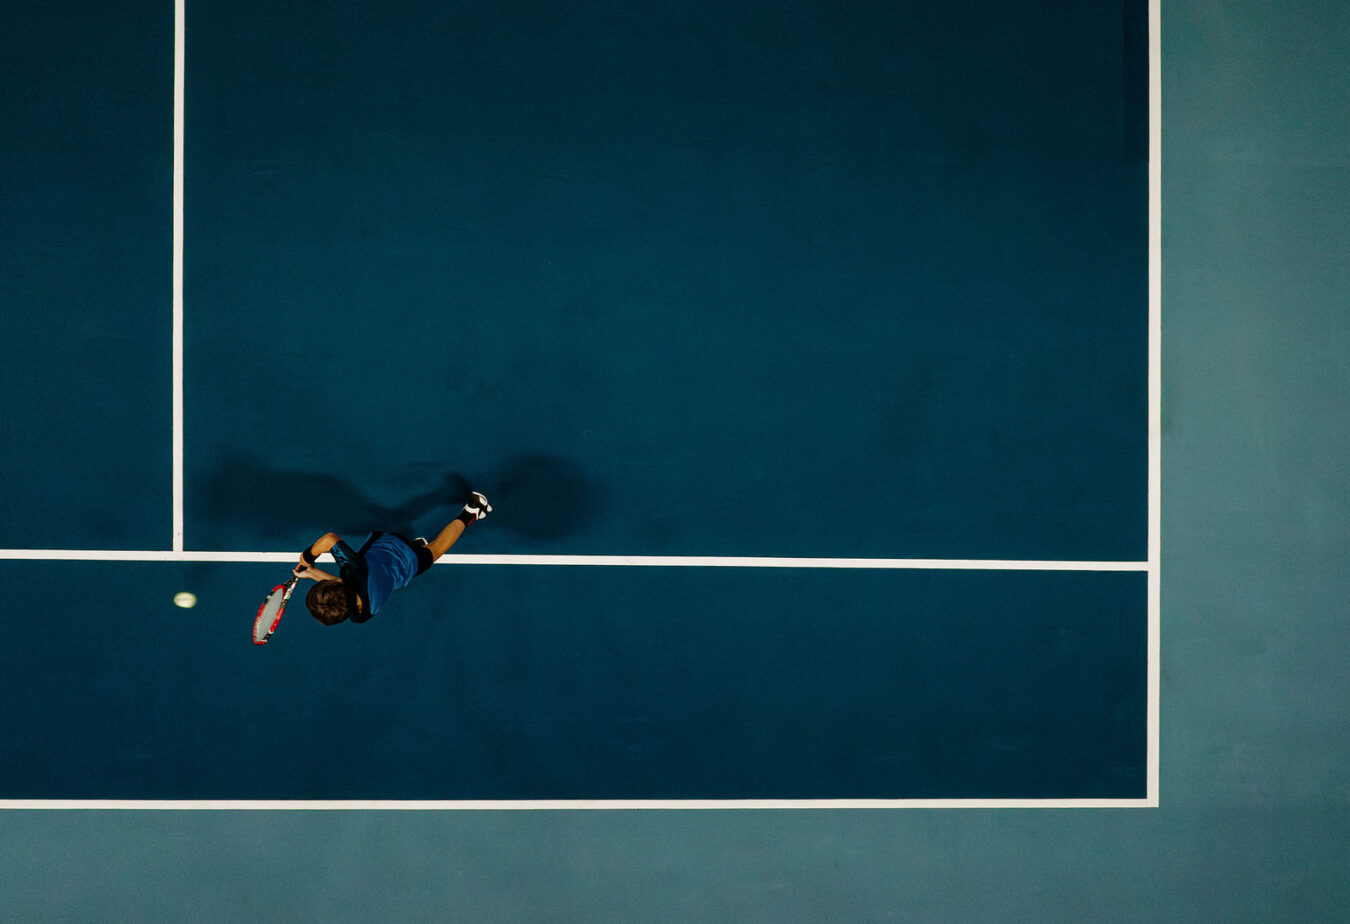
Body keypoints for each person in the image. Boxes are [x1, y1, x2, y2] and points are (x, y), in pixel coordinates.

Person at [293, 490, 492, 625]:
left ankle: (465, 517)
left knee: (431, 551)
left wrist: (314, 574)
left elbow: (347, 590)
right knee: (435, 547)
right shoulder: (353, 570)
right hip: (388, 545)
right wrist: (308, 558)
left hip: (405, 569)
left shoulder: (362, 614)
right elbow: (329, 540)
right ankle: (471, 510)